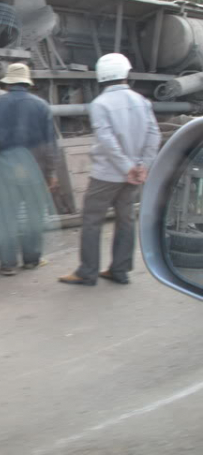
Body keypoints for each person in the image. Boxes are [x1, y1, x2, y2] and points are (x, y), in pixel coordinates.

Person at [59, 53, 161, 286]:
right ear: (126, 73)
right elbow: (154, 135)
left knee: (92, 220)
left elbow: (107, 140)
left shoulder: (100, 104)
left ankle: (87, 272)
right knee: (126, 220)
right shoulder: (142, 101)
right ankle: (120, 270)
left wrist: (127, 167)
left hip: (106, 174)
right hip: (133, 176)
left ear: (101, 77)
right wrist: (142, 166)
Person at [0, 63, 57, 276]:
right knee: (34, 215)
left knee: (6, 216)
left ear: (8, 83)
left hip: (4, 170)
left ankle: (7, 264)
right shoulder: (41, 105)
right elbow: (51, 143)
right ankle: (31, 260)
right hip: (34, 171)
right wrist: (50, 172)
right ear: (26, 82)